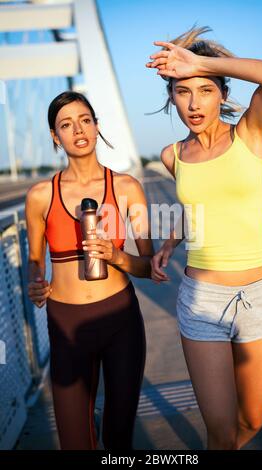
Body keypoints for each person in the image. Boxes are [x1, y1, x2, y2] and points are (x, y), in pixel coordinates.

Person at [146, 26, 262, 450]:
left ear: (222, 94)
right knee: (220, 433)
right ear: (171, 97)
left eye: (205, 89)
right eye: (183, 91)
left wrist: (199, 61)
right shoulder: (173, 155)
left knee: (253, 419)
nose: (194, 102)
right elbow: (197, 210)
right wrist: (170, 241)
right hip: (202, 300)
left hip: (259, 296)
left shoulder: (249, 134)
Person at [25, 91, 154, 450]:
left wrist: (116, 256)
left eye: (85, 120)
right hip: (66, 325)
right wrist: (35, 282)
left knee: (118, 438)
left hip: (120, 319)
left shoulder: (126, 188)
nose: (78, 130)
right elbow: (36, 261)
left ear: (96, 126)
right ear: (55, 136)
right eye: (66, 125)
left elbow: (148, 266)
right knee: (75, 441)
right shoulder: (40, 195)